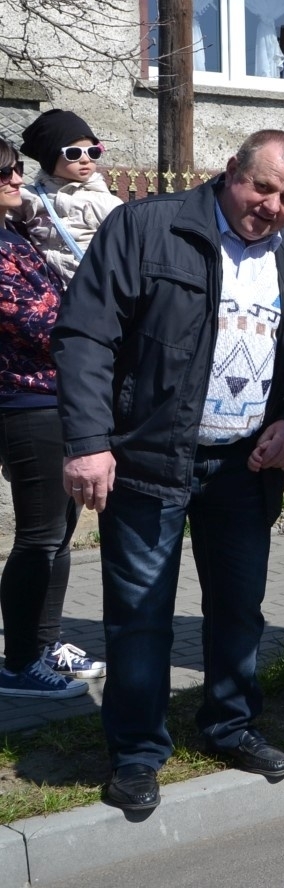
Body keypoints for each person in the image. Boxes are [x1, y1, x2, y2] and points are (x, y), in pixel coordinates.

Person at [52, 129, 284, 812]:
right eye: (262, 187)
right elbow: (86, 335)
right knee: (140, 615)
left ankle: (230, 725)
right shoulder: (147, 229)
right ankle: (136, 752)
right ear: (229, 173)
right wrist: (89, 442)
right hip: (148, 460)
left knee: (238, 609)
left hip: (245, 468)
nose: (271, 206)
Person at [0, 138, 102, 700]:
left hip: (56, 397)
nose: (17, 179)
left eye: (17, 169)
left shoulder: (15, 234)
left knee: (59, 537)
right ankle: (18, 664)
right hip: (25, 404)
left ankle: (44, 645)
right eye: (5, 173)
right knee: (38, 538)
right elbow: (41, 322)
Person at [16, 108, 122, 283]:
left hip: (89, 285)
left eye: (93, 152)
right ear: (49, 158)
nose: (86, 160)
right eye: (74, 153)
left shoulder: (107, 202)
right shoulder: (30, 197)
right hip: (45, 285)